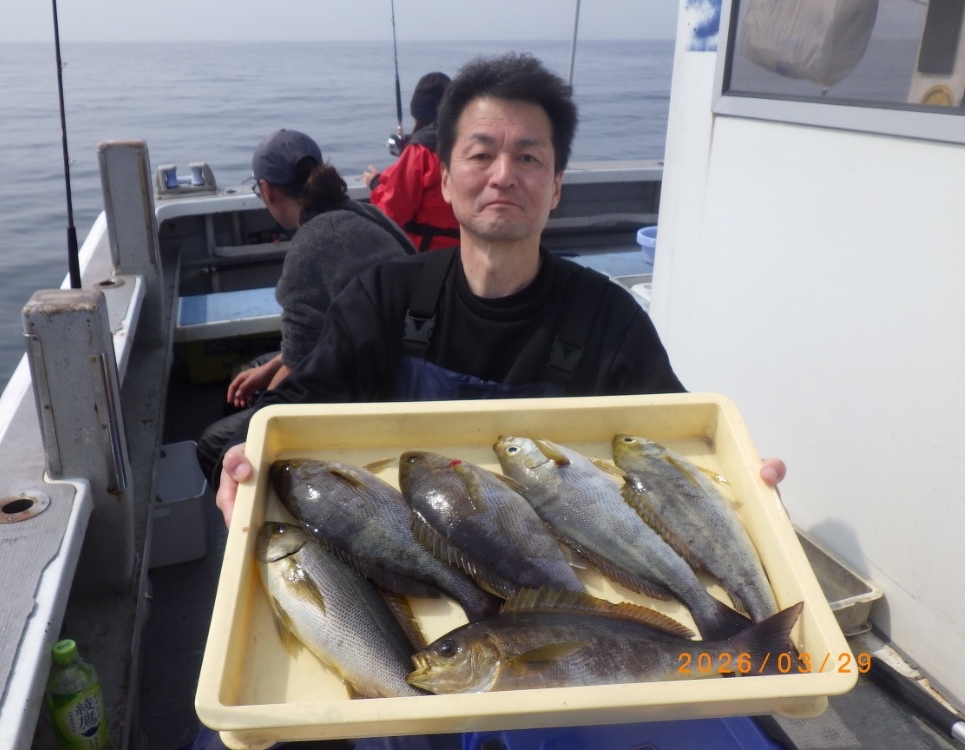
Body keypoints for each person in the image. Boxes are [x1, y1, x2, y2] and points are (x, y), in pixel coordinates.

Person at [215, 53, 786, 526]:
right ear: (444, 178)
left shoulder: (608, 317)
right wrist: (249, 454)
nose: (504, 175)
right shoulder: (383, 297)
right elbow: (297, 411)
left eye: (529, 157)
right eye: (482, 154)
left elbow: (676, 445)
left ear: (556, 187)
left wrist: (737, 489)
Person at [195, 128, 416, 483]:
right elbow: (315, 337)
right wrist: (272, 367)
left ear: (267, 190)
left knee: (212, 444)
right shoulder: (368, 214)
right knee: (258, 367)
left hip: (371, 393)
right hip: (402, 365)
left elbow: (298, 367)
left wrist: (257, 424)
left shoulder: (311, 244)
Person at [362, 72, 461, 251]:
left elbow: (392, 212)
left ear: (418, 114)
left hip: (428, 254)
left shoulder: (420, 151)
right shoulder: (466, 144)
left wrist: (376, 185)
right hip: (466, 250)